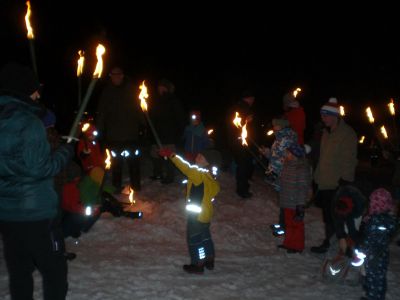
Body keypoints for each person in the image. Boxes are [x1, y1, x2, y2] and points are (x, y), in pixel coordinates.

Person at [0, 62, 74, 299]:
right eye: (34, 89)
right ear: (22, 89)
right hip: (38, 214)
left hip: (7, 214)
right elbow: (41, 168)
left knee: (19, 274)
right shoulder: (30, 124)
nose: (38, 94)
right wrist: (66, 151)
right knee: (55, 273)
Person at [158, 147, 221, 274]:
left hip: (196, 215)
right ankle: (209, 258)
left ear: (207, 162)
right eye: (198, 154)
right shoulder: (209, 176)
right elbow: (213, 191)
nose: (198, 156)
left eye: (201, 157)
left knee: (194, 239)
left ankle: (198, 263)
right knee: (205, 237)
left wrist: (172, 155)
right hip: (206, 214)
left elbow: (185, 167)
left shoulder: (198, 174)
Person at [311, 97, 358, 254]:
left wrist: (345, 182)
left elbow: (349, 160)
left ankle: (344, 245)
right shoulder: (326, 132)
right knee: (328, 217)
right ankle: (330, 242)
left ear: (334, 116)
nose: (322, 118)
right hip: (324, 181)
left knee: (339, 218)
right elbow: (323, 157)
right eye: (322, 115)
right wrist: (317, 177)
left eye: (325, 115)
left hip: (337, 184)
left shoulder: (347, 134)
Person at [96, 66, 145, 192]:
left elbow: (138, 109)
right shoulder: (107, 91)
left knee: (133, 162)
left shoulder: (131, 90)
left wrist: (143, 124)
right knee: (116, 163)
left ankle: (136, 186)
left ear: (122, 75)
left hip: (131, 134)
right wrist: (100, 130)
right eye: (112, 75)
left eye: (118, 75)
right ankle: (117, 186)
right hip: (114, 135)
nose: (115, 77)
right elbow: (102, 112)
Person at [356, 188, 397, 300]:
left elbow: (371, 239)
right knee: (380, 278)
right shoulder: (387, 219)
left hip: (374, 256)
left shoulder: (377, 220)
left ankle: (373, 297)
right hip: (382, 254)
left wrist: (361, 249)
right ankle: (377, 296)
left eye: (372, 201)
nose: (370, 203)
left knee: (373, 279)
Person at [149, 78, 186, 184]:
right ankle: (158, 173)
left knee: (169, 156)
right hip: (157, 134)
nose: (159, 89)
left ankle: (170, 177)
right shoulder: (156, 100)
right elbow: (153, 116)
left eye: (161, 87)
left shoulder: (173, 101)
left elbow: (180, 118)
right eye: (158, 87)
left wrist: (177, 133)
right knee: (155, 155)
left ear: (166, 88)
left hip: (169, 135)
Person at [276, 143, 312, 253]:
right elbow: (284, 181)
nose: (286, 154)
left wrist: (300, 205)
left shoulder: (301, 168)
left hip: (295, 203)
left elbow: (302, 188)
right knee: (288, 224)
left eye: (288, 152)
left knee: (296, 225)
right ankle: (289, 243)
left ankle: (297, 246)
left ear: (295, 155)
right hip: (286, 201)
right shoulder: (287, 165)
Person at [228, 90, 257, 198]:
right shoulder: (243, 108)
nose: (253, 101)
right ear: (248, 98)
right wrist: (247, 120)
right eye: (252, 98)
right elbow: (238, 125)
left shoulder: (237, 107)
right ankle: (242, 190)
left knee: (243, 164)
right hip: (241, 142)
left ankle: (243, 187)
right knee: (243, 165)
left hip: (237, 141)